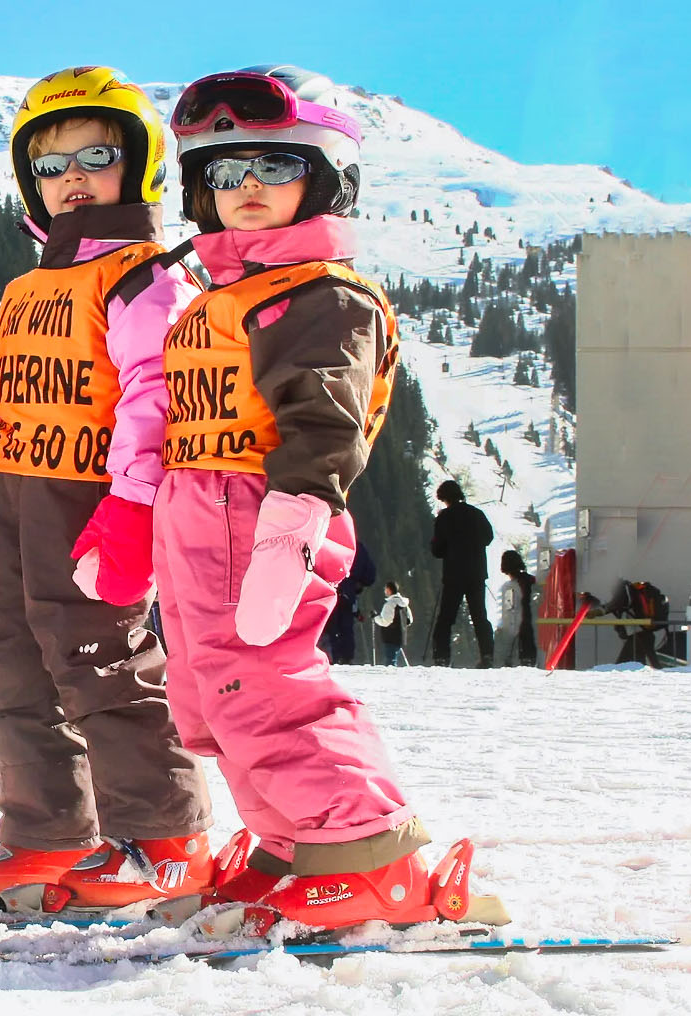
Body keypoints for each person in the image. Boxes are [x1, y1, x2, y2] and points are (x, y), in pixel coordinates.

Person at [146, 65, 456, 931]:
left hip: (270, 511)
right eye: (224, 173)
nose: (247, 190)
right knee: (213, 693)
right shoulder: (223, 297)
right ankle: (293, 840)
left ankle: (369, 852)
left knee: (270, 683)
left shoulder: (320, 295)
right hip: (201, 518)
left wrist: (293, 523)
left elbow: (325, 418)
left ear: (321, 178)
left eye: (274, 168)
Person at [0, 67, 214, 911]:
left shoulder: (146, 274)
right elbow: (3, 384)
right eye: (51, 163)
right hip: (14, 498)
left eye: (94, 155)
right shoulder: (28, 286)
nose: (71, 176)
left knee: (100, 661)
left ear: (135, 164)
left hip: (90, 498)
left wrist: (132, 503)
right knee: (12, 668)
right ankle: (48, 836)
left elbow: (157, 390)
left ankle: (165, 837)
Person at [429, 479, 495, 667]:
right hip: (477, 573)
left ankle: (441, 657)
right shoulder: (477, 514)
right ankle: (487, 655)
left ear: (444, 498)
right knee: (479, 616)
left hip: (454, 574)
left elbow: (437, 550)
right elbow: (488, 538)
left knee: (446, 618)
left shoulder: (444, 517)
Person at [321, 539, 375, 664]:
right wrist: (358, 584)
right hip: (348, 594)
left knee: (330, 627)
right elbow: (370, 574)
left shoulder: (325, 540)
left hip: (328, 591)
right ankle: (346, 657)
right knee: (346, 627)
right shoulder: (357, 547)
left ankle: (331, 656)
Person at [493, 550, 537, 667]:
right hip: (536, 633)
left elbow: (510, 618)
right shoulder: (533, 581)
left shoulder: (509, 588)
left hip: (522, 637)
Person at [373, 581, 413, 666]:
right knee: (394, 658)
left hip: (390, 636)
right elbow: (409, 620)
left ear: (389, 590)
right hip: (400, 636)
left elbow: (386, 622)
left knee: (390, 660)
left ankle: (390, 677)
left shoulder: (390, 604)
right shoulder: (404, 603)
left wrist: (375, 617)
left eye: (385, 589)